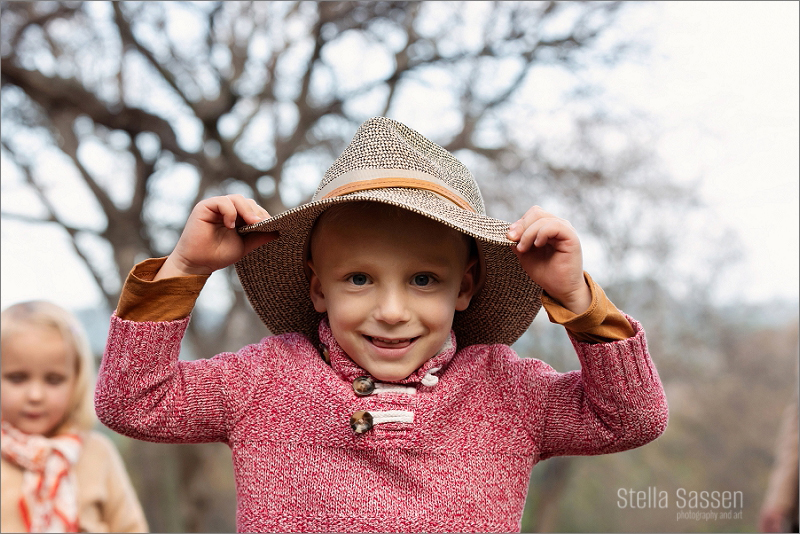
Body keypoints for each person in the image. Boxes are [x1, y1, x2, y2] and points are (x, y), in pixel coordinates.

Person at [95, 116, 668, 532]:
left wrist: (575, 297)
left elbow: (632, 417)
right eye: (359, 280)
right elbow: (132, 402)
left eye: (423, 280)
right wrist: (185, 270)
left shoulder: (506, 393)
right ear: (318, 287)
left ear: (463, 288)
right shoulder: (265, 382)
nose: (391, 311)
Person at [1, 300, 149, 532]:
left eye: (53, 380)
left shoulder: (98, 453)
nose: (35, 395)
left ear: (76, 380)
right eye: (17, 378)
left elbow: (130, 528)